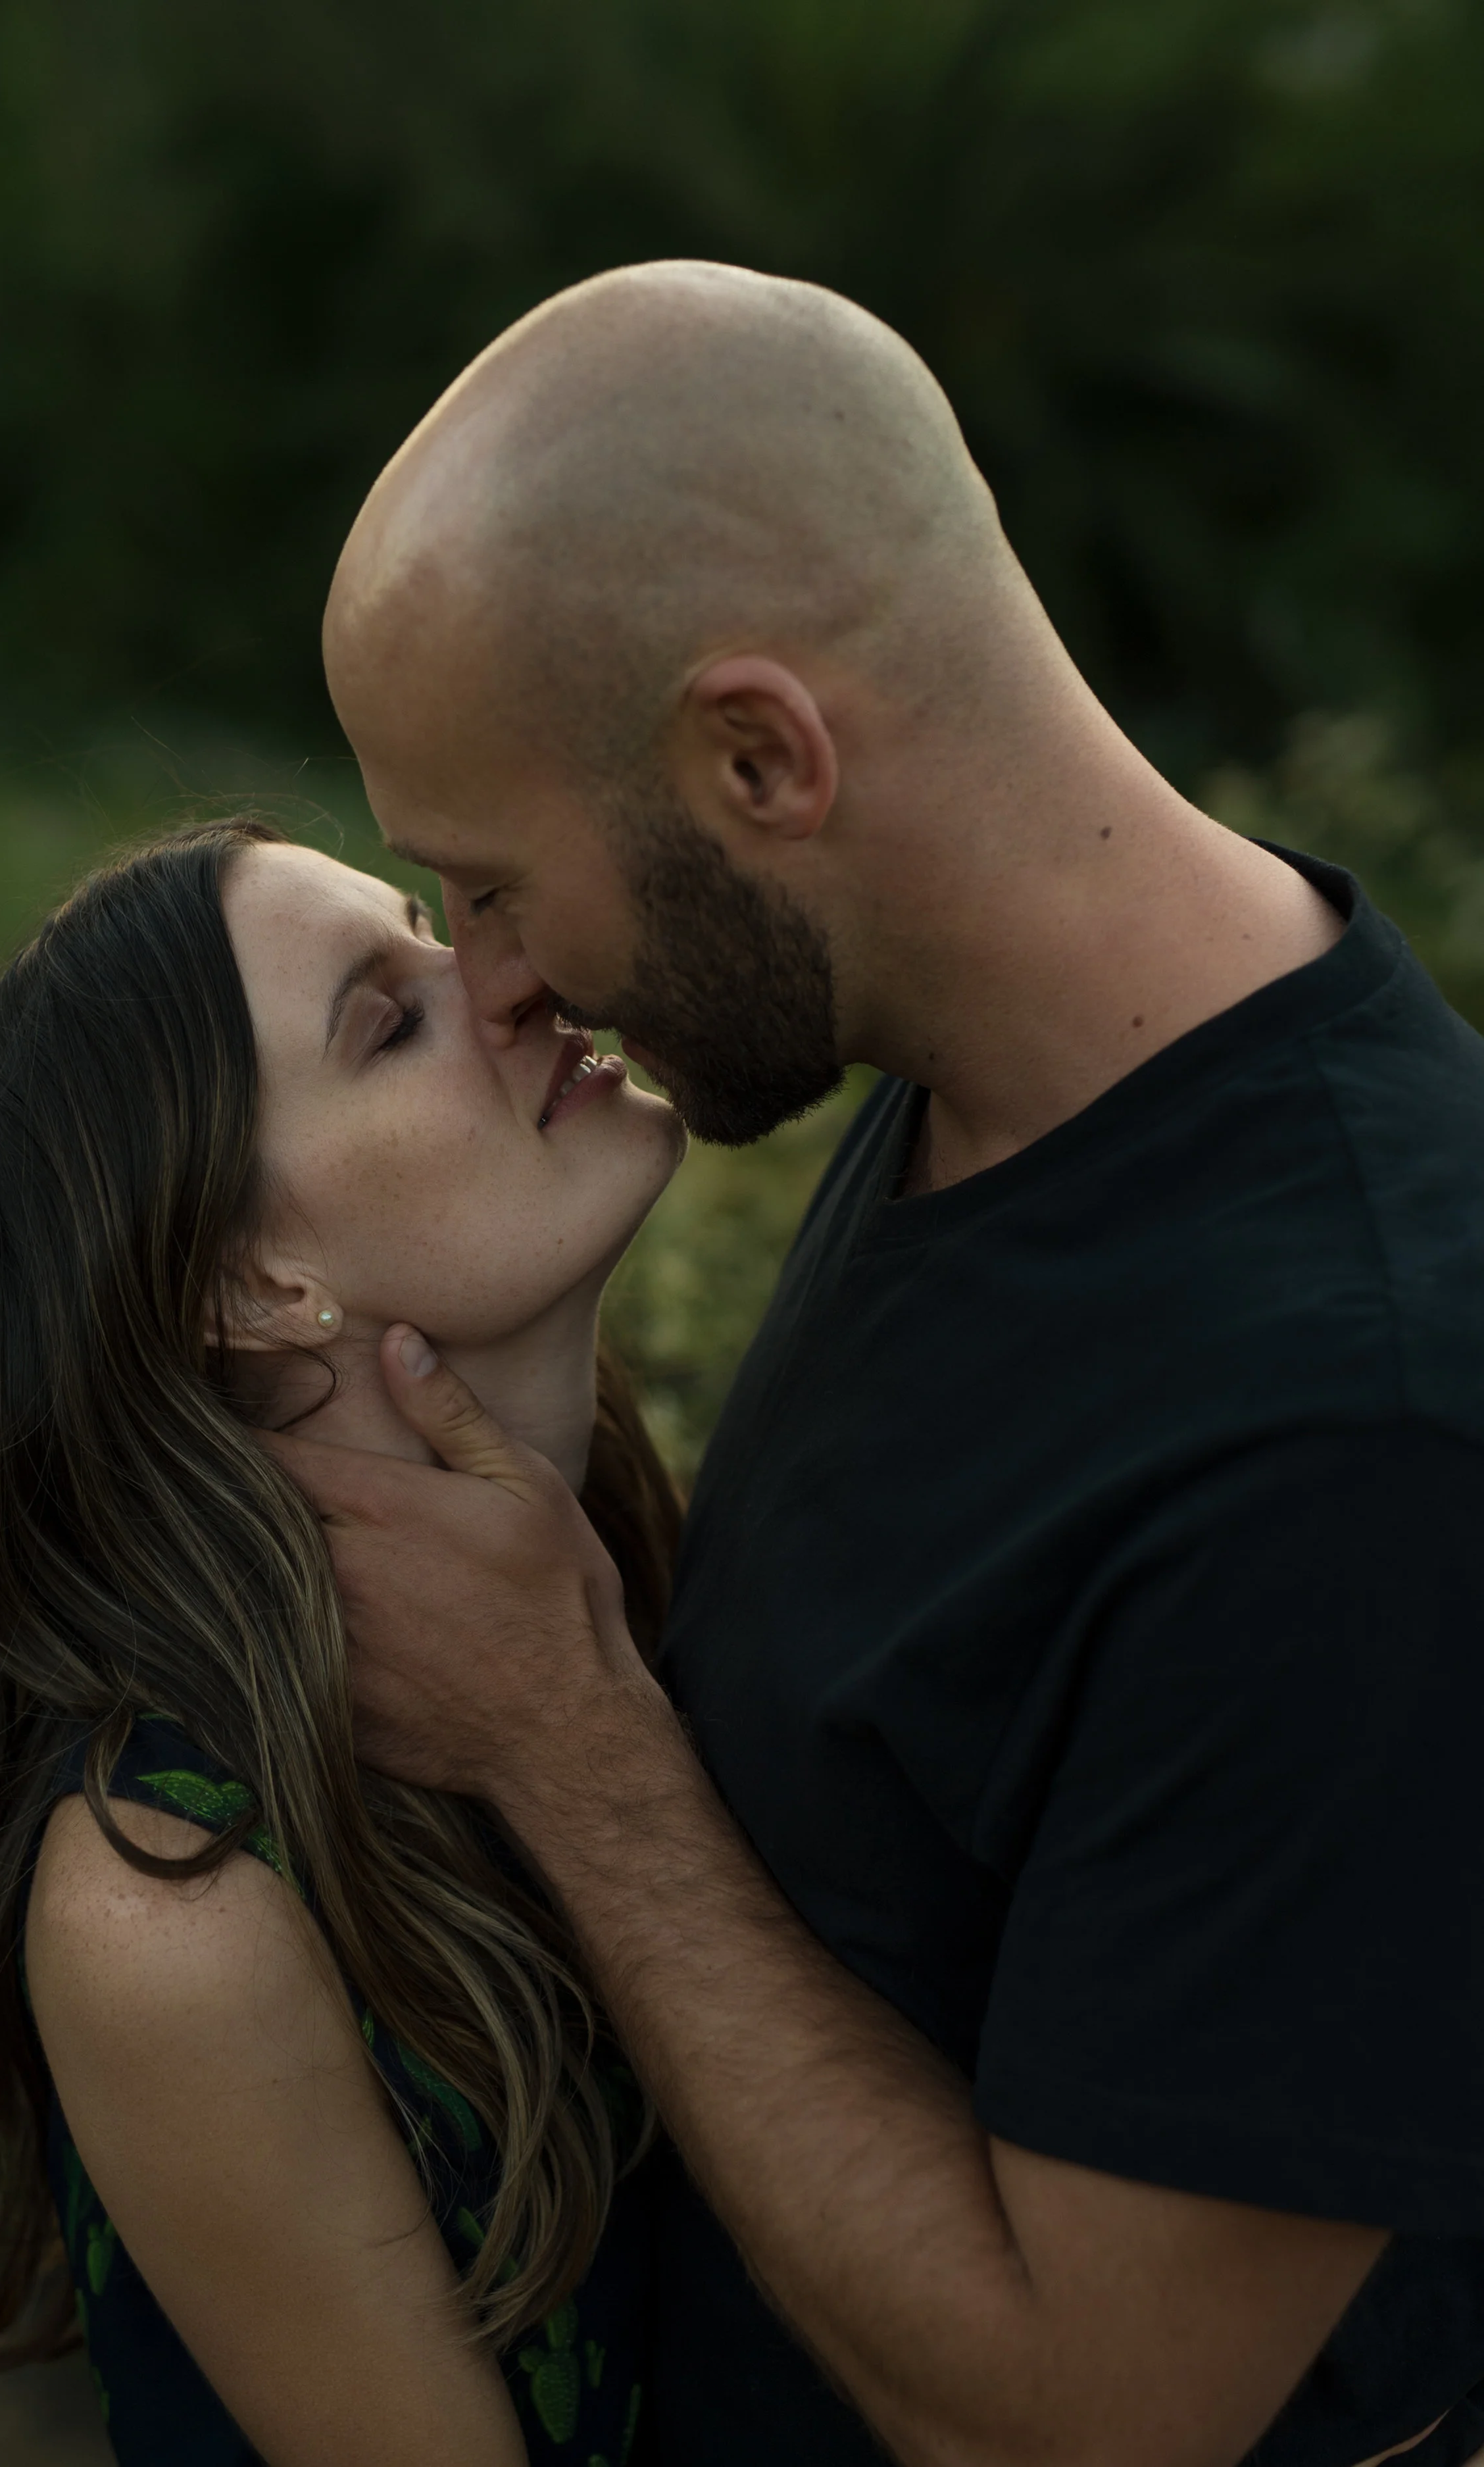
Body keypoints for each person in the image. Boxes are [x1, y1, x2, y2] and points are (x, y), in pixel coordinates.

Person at [284, 261, 1484, 2467]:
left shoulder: (1360, 1431)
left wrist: (568, 1743)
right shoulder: (961, 1084)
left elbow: (1088, 2424)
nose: (496, 983)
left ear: (762, 759)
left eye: (495, 885)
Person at [0, 817, 685, 2466]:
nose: (510, 976)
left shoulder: (648, 1562)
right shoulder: (173, 1898)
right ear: (253, 1285)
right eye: (389, 1021)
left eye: (436, 934)